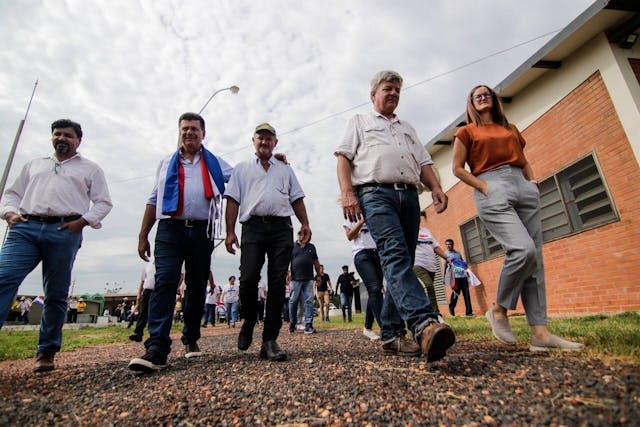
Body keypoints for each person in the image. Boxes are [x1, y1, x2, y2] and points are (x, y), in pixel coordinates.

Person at [451, 84, 584, 351]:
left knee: (535, 259)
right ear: (471, 103)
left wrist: (532, 182)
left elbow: (523, 161)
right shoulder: (466, 131)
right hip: (491, 184)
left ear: (494, 99)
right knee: (522, 250)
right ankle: (498, 310)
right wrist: (484, 187)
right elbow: (456, 168)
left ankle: (541, 334)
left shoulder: (510, 129)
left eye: (487, 93)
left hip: (523, 187)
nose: (482, 96)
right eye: (476, 94)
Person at [335, 70, 455, 362]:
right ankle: (424, 325)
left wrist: (436, 186)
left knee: (402, 261)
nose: (393, 94)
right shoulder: (360, 122)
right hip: (375, 194)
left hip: (409, 195)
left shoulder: (407, 127)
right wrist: (348, 193)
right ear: (373, 93)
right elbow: (343, 158)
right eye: (388, 89)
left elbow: (424, 161)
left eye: (397, 90)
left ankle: (389, 333)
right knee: (395, 257)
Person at [0, 118, 112, 372]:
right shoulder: (34, 165)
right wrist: (9, 214)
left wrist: (82, 222)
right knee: (3, 278)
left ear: (78, 140)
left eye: (68, 135)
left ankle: (46, 351)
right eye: (58, 134)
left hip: (64, 230)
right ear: (52, 137)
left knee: (56, 293)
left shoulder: (90, 169)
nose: (62, 138)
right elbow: (12, 194)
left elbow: (103, 202)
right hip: (25, 229)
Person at [128, 112, 233, 373]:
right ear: (179, 132)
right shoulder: (166, 163)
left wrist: (271, 160)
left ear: (203, 134)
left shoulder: (216, 163)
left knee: (196, 287)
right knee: (164, 282)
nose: (189, 133)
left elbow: (243, 178)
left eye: (194, 129)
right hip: (169, 230)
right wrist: (143, 234)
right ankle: (157, 348)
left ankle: (191, 337)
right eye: (185, 129)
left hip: (201, 231)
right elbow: (154, 199)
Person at [224, 122, 312, 361]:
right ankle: (250, 318)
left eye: (269, 138)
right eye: (260, 138)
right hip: (252, 227)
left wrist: (305, 223)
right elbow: (232, 200)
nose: (264, 142)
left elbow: (296, 198)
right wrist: (230, 231)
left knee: (276, 283)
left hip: (281, 228)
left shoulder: (285, 169)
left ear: (275, 143)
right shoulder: (241, 169)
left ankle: (270, 340)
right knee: (249, 277)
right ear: (253, 141)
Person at [344, 219, 383, 340]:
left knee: (376, 291)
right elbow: (350, 236)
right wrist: (361, 222)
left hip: (378, 253)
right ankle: (387, 328)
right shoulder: (350, 215)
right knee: (375, 288)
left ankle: (367, 327)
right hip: (362, 254)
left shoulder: (373, 208)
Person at [414, 211, 450, 322]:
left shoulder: (426, 231)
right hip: (417, 264)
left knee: (426, 290)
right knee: (429, 286)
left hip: (431, 265)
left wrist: (446, 258)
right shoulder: (407, 231)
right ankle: (436, 314)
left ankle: (425, 315)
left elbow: (436, 247)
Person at [288, 238, 321, 336]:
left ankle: (308, 325)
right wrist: (286, 273)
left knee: (309, 301)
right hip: (295, 278)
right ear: (299, 235)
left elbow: (316, 261)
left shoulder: (311, 247)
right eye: (301, 234)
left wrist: (318, 275)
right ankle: (293, 322)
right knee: (293, 300)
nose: (304, 237)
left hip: (309, 278)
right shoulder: (292, 246)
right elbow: (286, 260)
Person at [443, 239, 473, 317]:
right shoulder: (445, 254)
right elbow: (445, 266)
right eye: (446, 244)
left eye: (449, 244)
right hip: (455, 277)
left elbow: (463, 263)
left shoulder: (458, 254)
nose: (448, 246)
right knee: (456, 293)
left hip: (463, 276)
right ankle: (451, 307)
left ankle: (469, 312)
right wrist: (445, 278)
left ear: (453, 244)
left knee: (466, 294)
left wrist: (467, 273)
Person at [129, 260, 156, 342]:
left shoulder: (164, 263)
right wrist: (139, 293)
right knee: (143, 312)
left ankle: (154, 335)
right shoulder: (148, 265)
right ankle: (138, 333)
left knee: (154, 314)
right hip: (147, 290)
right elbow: (142, 281)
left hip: (158, 291)